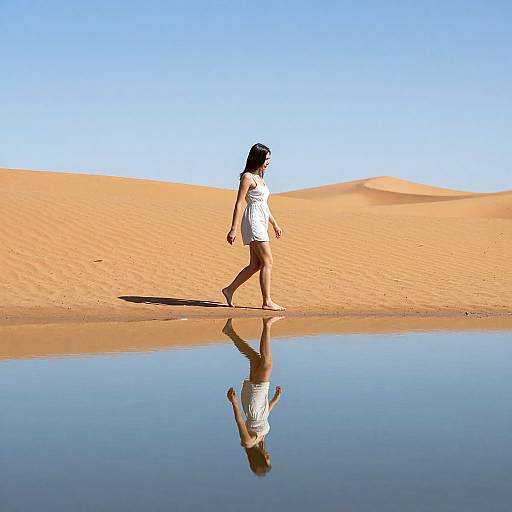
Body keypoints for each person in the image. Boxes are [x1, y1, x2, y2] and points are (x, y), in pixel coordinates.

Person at [222, 143, 285, 311]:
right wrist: (233, 228)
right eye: (266, 159)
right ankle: (267, 301)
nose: (268, 162)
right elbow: (239, 203)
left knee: (255, 265)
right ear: (258, 158)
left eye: (269, 159)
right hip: (253, 221)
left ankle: (229, 290)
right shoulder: (247, 177)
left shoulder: (261, 179)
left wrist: (275, 224)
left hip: (262, 221)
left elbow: (263, 205)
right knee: (268, 261)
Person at [224, 316, 283, 476]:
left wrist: (234, 402)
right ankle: (230, 332)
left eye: (267, 459)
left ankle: (267, 323)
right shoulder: (259, 442)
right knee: (255, 359)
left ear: (259, 459)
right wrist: (274, 401)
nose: (268, 455)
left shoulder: (248, 442)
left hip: (253, 403)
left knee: (267, 363)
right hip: (259, 404)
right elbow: (263, 419)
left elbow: (240, 422)